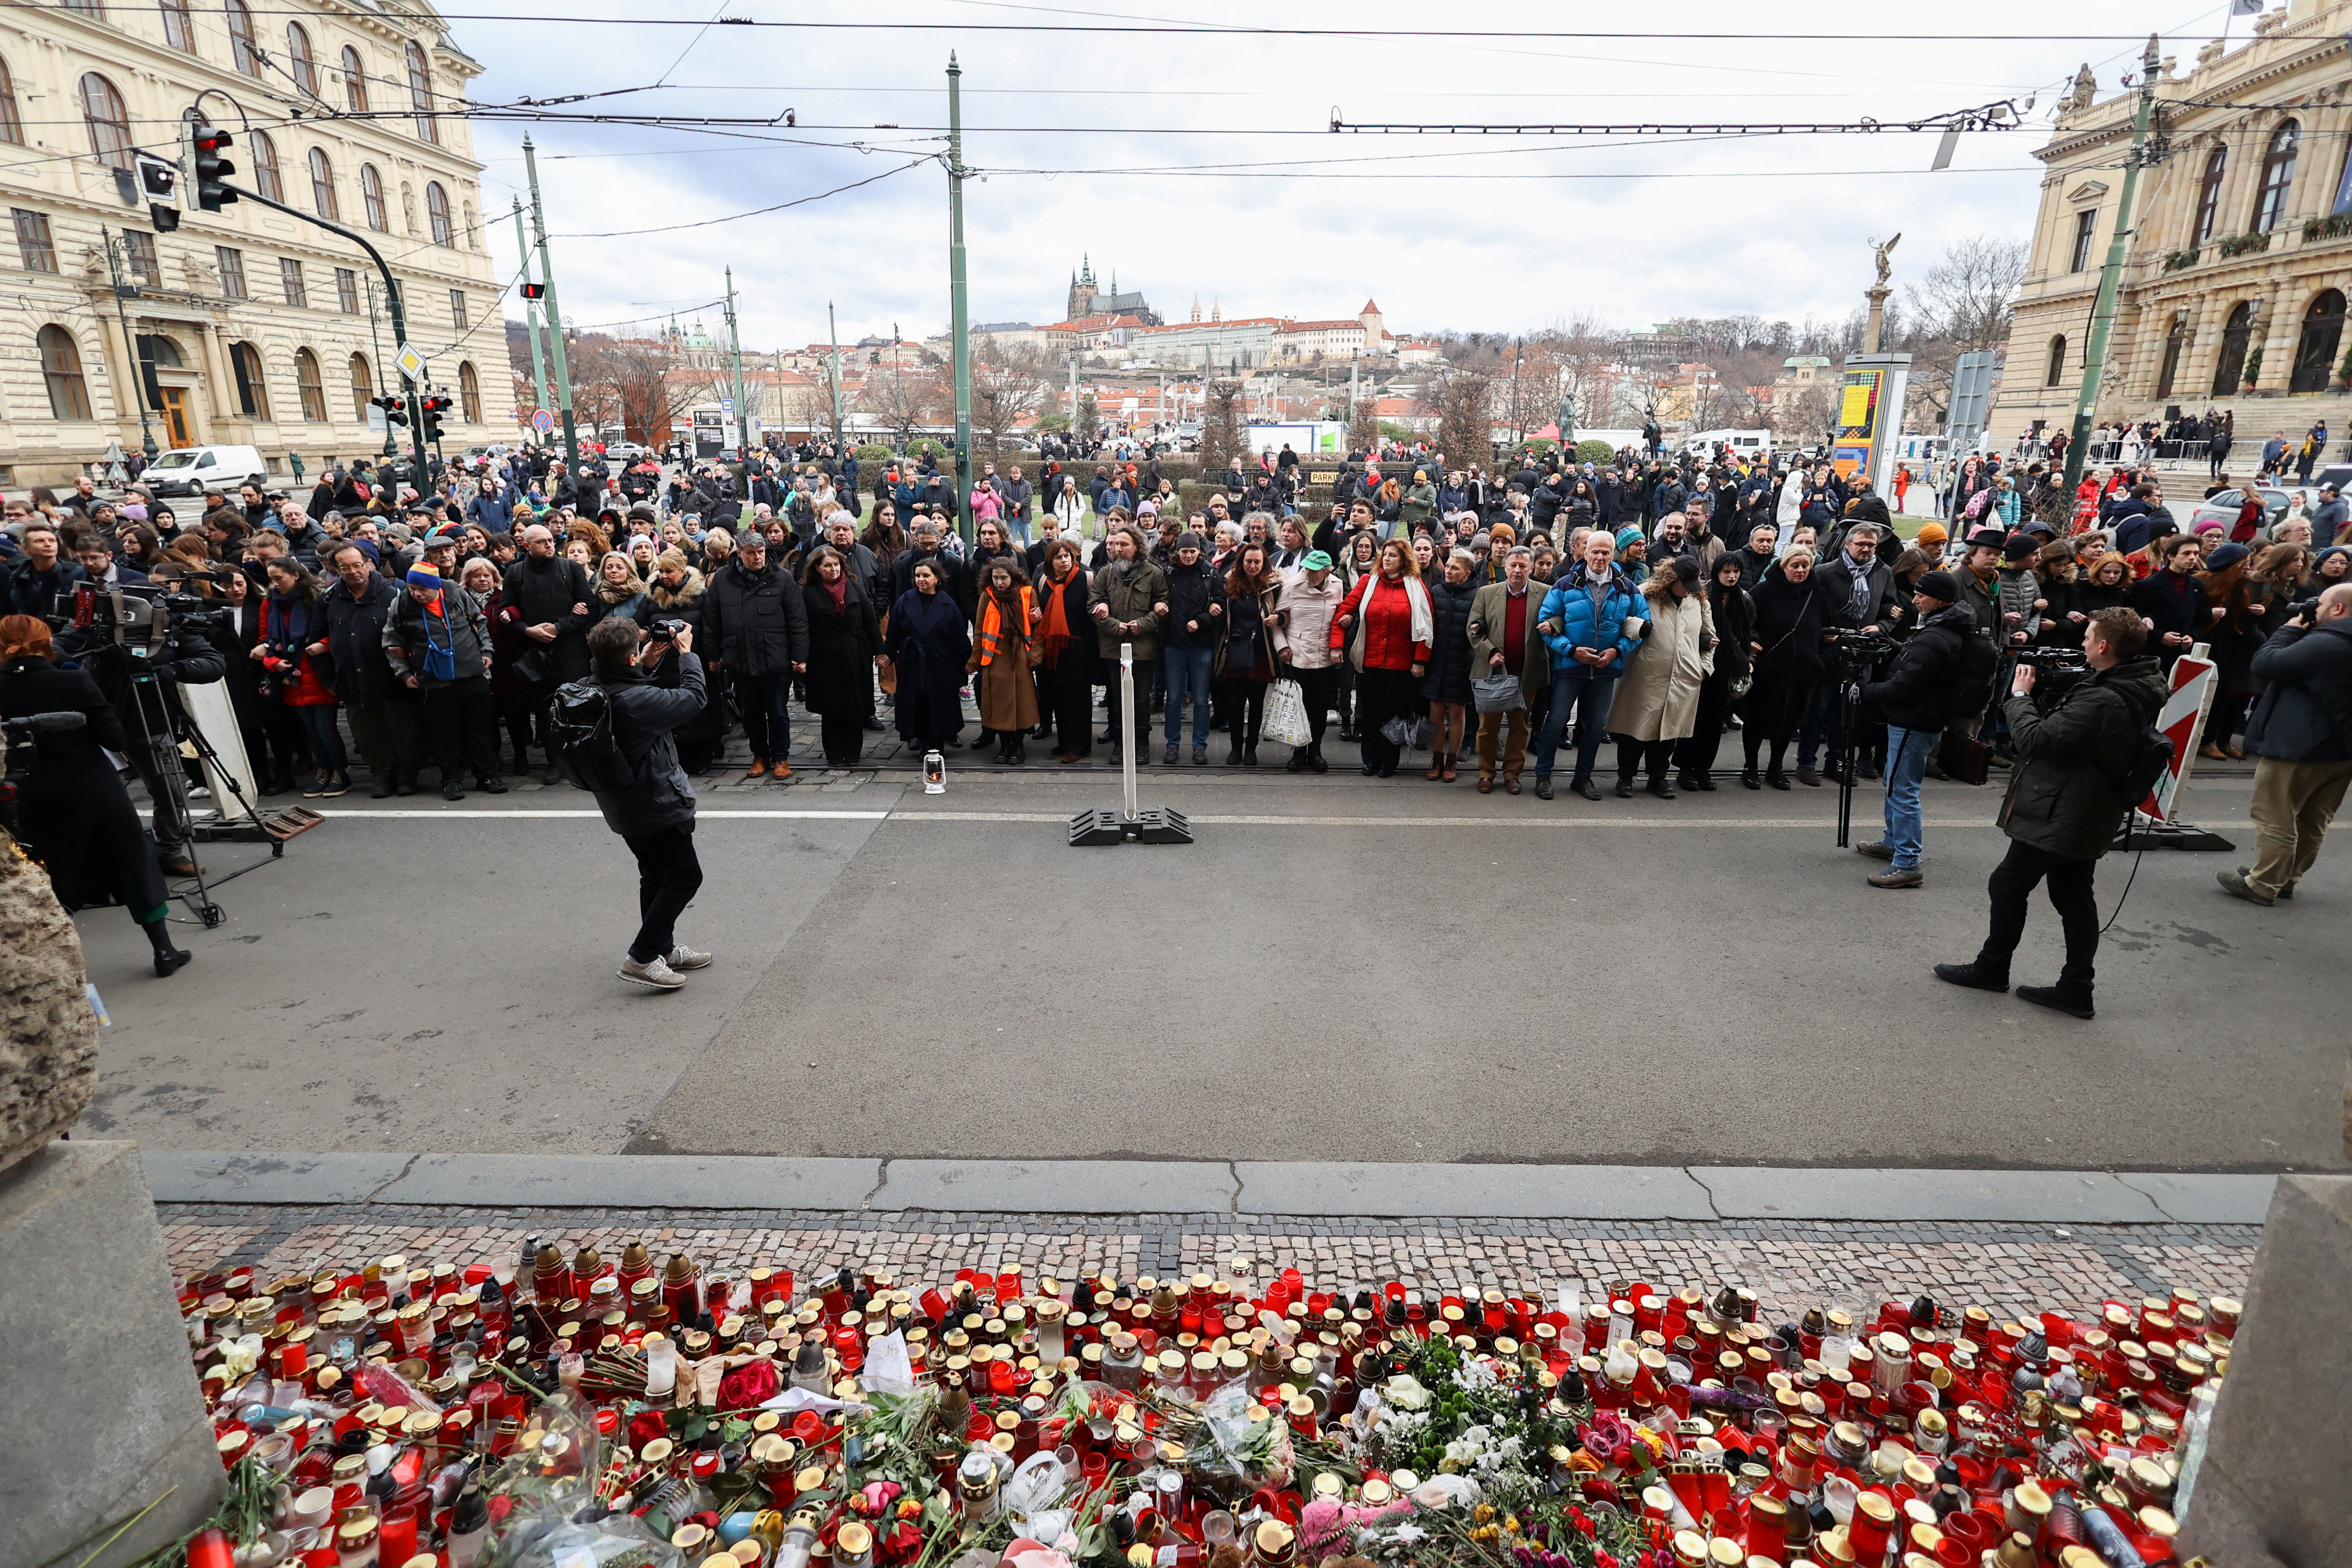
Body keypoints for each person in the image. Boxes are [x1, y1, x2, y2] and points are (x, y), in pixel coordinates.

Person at [1935, 607, 2166, 1017]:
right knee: (2073, 895)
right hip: (2087, 807)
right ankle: (2076, 987)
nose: (2082, 643)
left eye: (2087, 637)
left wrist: (2021, 697)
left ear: (2103, 645)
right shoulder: (2133, 682)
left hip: (2066, 809)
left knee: (2009, 885)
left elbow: (2038, 740)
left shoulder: (2103, 697)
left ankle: (1993, 968)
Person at [0, 615, 192, 975]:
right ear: (46, 642)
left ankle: (61, 964)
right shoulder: (73, 680)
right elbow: (115, 740)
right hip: (95, 789)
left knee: (57, 875)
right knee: (134, 865)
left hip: (35, 795)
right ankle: (164, 951)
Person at [578, 616, 713, 990]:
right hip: (655, 802)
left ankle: (661, 948)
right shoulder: (636, 701)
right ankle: (641, 955)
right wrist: (686, 653)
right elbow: (693, 698)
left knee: (655, 874)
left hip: (622, 803)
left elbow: (627, 686)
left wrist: (647, 661)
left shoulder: (592, 685)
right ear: (629, 657)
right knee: (686, 876)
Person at [1855, 570, 1990, 888]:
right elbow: (1921, 660)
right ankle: (1893, 843)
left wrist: (1866, 691)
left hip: (1914, 721)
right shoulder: (1944, 628)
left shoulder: (1936, 635)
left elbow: (1905, 684)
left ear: (1941, 599)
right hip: (1921, 719)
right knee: (1895, 781)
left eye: (1922, 595)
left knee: (1903, 790)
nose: (1915, 600)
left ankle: (1907, 862)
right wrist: (1893, 644)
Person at [2219, 583, 2352, 904]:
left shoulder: (2327, 643)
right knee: (2314, 817)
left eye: (2319, 604)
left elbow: (2266, 664)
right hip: (2342, 749)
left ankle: (2263, 883)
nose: (2313, 609)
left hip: (2301, 744)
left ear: (2338, 610)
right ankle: (2287, 877)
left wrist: (2289, 630)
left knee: (2275, 813)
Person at [1531, 530, 1642, 801]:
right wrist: (1572, 651)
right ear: (1585, 553)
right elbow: (1545, 626)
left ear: (1613, 553)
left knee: (1595, 726)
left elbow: (1640, 627)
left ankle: (1583, 777)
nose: (1600, 557)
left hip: (1606, 669)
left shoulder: (1627, 588)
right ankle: (1543, 776)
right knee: (1556, 721)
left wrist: (1616, 652)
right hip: (1570, 666)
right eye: (1595, 551)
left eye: (1606, 552)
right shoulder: (1566, 585)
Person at [382, 560, 504, 800]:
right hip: (434, 681)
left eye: (422, 589)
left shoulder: (456, 594)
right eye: (412, 588)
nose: (416, 593)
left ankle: (488, 775)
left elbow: (479, 622)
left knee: (480, 730)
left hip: (471, 674)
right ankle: (451, 779)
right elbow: (391, 644)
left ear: (436, 587)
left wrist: (487, 652)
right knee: (444, 734)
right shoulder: (401, 605)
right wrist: (405, 674)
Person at [701, 529, 808, 781]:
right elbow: (712, 621)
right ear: (740, 554)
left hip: (776, 657)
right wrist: (714, 653)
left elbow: (798, 620)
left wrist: (800, 655)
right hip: (740, 657)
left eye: (760, 552)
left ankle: (781, 757)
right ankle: (760, 756)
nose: (757, 557)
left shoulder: (781, 578)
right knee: (751, 713)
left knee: (778, 711)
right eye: (751, 554)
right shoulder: (723, 579)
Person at [1606, 556, 1714, 799]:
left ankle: (1658, 778)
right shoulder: (1645, 594)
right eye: (1685, 583)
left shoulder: (1699, 600)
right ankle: (1626, 777)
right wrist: (1638, 628)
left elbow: (1709, 635)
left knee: (1668, 732)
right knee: (1634, 730)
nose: (1689, 589)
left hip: (1684, 676)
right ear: (1672, 579)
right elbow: (1618, 621)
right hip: (1645, 675)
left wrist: (1703, 667)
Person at [321, 540, 422, 798]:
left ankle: (407, 776)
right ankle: (382, 775)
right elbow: (317, 640)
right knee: (368, 735)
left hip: (391, 680)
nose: (353, 571)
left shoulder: (393, 595)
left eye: (357, 565)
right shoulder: (330, 598)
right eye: (345, 568)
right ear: (336, 570)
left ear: (368, 565)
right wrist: (328, 680)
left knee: (403, 732)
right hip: (352, 682)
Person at [497, 523, 596, 783]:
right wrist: (528, 631)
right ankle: (555, 762)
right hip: (535, 653)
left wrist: (559, 627)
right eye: (542, 542)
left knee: (577, 707)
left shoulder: (571, 569)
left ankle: (582, 761)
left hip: (570, 651)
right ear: (527, 546)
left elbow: (590, 608)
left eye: (551, 540)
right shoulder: (515, 573)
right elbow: (506, 613)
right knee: (545, 711)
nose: (549, 545)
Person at [1332, 537, 1434, 779]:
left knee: (1395, 715)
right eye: (1385, 555)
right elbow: (1343, 612)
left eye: (1393, 556)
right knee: (1370, 714)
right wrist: (1336, 646)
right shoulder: (1368, 583)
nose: (1387, 559)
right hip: (1370, 663)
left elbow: (1428, 627)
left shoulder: (1417, 587)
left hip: (1402, 666)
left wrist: (1420, 660)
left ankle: (1390, 761)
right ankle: (1370, 759)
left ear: (1404, 561)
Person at [1465, 546, 1548, 794]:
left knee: (1520, 728)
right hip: (1492, 675)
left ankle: (1512, 774)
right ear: (1505, 567)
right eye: (1513, 565)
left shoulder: (1545, 593)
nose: (1517, 571)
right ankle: (1486, 773)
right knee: (1487, 728)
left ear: (1531, 568)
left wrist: (1551, 626)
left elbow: (1557, 619)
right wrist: (1490, 651)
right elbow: (1473, 629)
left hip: (1527, 673)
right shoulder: (1487, 593)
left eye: (1523, 566)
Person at [1740, 550, 1824, 790]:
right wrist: (1750, 647)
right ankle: (1751, 767)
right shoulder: (1762, 592)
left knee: (1789, 722)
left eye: (1805, 566)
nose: (1800, 571)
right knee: (1756, 720)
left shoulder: (1817, 594)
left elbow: (1830, 630)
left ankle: (1775, 767)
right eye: (1795, 565)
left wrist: (1820, 662)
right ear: (1783, 566)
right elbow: (1747, 626)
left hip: (1801, 674)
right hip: (1768, 671)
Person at [799, 544, 882, 769]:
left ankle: (854, 752)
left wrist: (880, 651)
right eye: (828, 566)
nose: (833, 569)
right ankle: (834, 753)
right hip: (824, 660)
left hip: (856, 655)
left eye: (836, 565)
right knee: (831, 709)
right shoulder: (808, 593)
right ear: (817, 569)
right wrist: (800, 657)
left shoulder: (853, 587)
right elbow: (802, 627)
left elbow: (869, 621)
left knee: (855, 706)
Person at [1088, 525, 1165, 764]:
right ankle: (1121, 744)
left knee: (1141, 699)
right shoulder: (1106, 573)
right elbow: (1093, 606)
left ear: (1137, 548)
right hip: (1114, 648)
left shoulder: (1154, 573)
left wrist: (1141, 624)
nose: (1118, 549)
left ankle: (1142, 743)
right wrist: (1113, 624)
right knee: (1119, 698)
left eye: (1124, 545)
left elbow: (1163, 606)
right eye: (1115, 545)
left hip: (1143, 648)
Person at [1676, 552, 1753, 791]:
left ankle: (1704, 769)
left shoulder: (1744, 599)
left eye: (1736, 572)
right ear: (1717, 572)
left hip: (1726, 668)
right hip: (1701, 665)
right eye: (1726, 571)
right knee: (1695, 720)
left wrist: (1745, 658)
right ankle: (1686, 769)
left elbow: (1747, 632)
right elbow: (1690, 629)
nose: (1731, 577)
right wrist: (1705, 642)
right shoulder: (1703, 596)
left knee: (1714, 722)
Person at [883, 557, 971, 754]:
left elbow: (959, 637)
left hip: (941, 662)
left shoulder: (948, 604)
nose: (921, 580)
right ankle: (919, 737)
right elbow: (894, 632)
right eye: (917, 576)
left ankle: (938, 741)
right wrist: (888, 654)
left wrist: (966, 664)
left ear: (937, 579)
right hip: (913, 659)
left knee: (939, 703)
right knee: (917, 701)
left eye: (926, 576)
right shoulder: (905, 601)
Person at [1274, 549, 1345, 774]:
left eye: (1313, 571)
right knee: (1299, 708)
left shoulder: (1337, 586)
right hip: (1298, 656)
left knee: (1319, 709)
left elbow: (1339, 618)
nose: (1307, 574)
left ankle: (1315, 751)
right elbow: (1278, 619)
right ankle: (1298, 752)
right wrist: (1282, 647)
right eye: (1305, 568)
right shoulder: (1292, 586)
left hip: (1324, 658)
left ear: (1327, 572)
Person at [1158, 531, 1226, 765]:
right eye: (1185, 551)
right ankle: (1172, 745)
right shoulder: (1168, 573)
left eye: (1193, 551)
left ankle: (1199, 746)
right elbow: (1159, 599)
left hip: (1201, 646)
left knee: (1200, 698)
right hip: (1174, 645)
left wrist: (1203, 620)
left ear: (1199, 551)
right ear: (1178, 551)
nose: (1188, 556)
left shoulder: (1210, 573)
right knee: (1174, 698)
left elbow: (1221, 606)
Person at [968, 559, 1040, 765]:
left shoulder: (1027, 593)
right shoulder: (987, 596)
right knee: (999, 705)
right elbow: (980, 630)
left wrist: (1035, 655)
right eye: (995, 578)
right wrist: (976, 659)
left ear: (1013, 577)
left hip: (1020, 658)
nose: (999, 583)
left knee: (1020, 704)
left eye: (1004, 578)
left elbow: (1039, 630)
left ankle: (1017, 746)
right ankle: (1004, 745)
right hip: (995, 658)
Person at [1033, 538, 1097, 765]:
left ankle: (1079, 746)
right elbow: (1038, 610)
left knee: (1077, 701)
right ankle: (1065, 740)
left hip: (1079, 651)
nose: (1064, 561)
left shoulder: (1086, 579)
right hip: (1053, 651)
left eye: (1067, 556)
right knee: (1057, 697)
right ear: (1050, 562)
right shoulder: (1044, 582)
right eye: (1059, 557)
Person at [1219, 543, 1282, 767]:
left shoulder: (1273, 587)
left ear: (1264, 563)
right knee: (1235, 706)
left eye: (1257, 562)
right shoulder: (1228, 585)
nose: (1253, 566)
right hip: (1235, 654)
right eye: (1249, 561)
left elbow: (1286, 612)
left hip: (1260, 655)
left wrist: (1279, 619)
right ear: (1241, 563)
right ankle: (1236, 747)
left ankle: (1251, 748)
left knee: (1256, 706)